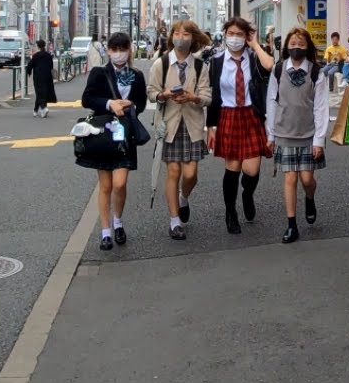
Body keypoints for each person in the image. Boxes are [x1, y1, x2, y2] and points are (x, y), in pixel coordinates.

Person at [78, 32, 148, 250]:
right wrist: (110, 103)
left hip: (124, 132)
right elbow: (87, 99)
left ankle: (118, 220)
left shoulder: (136, 75)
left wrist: (129, 104)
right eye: (114, 49)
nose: (119, 53)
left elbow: (142, 102)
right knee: (106, 185)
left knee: (120, 183)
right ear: (108, 51)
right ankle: (106, 231)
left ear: (129, 50)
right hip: (103, 133)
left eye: (123, 49)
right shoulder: (99, 72)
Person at [206, 17, 274, 235]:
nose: (234, 38)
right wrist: (211, 126)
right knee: (232, 168)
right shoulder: (216, 62)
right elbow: (214, 96)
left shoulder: (253, 59)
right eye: (231, 34)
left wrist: (255, 45)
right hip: (228, 115)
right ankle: (230, 212)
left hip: (251, 115)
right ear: (225, 35)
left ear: (246, 37)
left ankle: (247, 194)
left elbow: (270, 66)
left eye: (239, 34)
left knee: (251, 169)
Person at [147, 20, 212, 240]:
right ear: (171, 37)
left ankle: (184, 197)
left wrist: (193, 97)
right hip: (169, 124)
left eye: (186, 33)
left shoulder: (201, 66)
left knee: (191, 174)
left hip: (192, 124)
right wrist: (163, 95)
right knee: (173, 172)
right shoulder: (161, 64)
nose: (180, 37)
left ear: (193, 38)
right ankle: (175, 221)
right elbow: (151, 92)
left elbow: (207, 97)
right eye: (177, 33)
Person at [266, 28, 330, 244]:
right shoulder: (278, 70)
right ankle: (291, 225)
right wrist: (271, 134)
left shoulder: (316, 72)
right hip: (284, 132)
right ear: (286, 46)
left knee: (307, 179)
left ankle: (310, 197)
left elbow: (321, 107)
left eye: (301, 43)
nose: (296, 47)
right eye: (292, 43)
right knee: (290, 178)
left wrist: (319, 140)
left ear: (308, 47)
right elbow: (272, 102)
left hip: (308, 134)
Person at [26, 39, 57, 118]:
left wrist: (28, 72)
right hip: (47, 76)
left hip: (38, 77)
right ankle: (36, 110)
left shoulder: (36, 56)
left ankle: (44, 108)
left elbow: (30, 65)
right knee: (43, 93)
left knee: (39, 93)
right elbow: (51, 66)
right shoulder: (48, 55)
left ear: (38, 46)